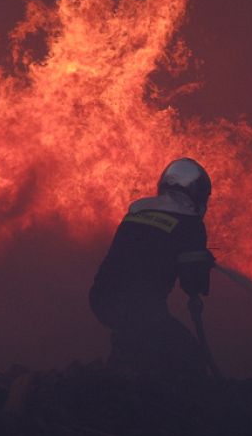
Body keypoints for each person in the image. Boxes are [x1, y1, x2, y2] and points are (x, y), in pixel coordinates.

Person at [89, 158, 216, 377]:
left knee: (137, 342)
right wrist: (200, 266)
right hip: (141, 306)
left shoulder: (136, 213)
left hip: (102, 298)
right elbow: (192, 283)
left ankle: (118, 374)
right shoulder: (190, 224)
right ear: (198, 194)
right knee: (189, 356)